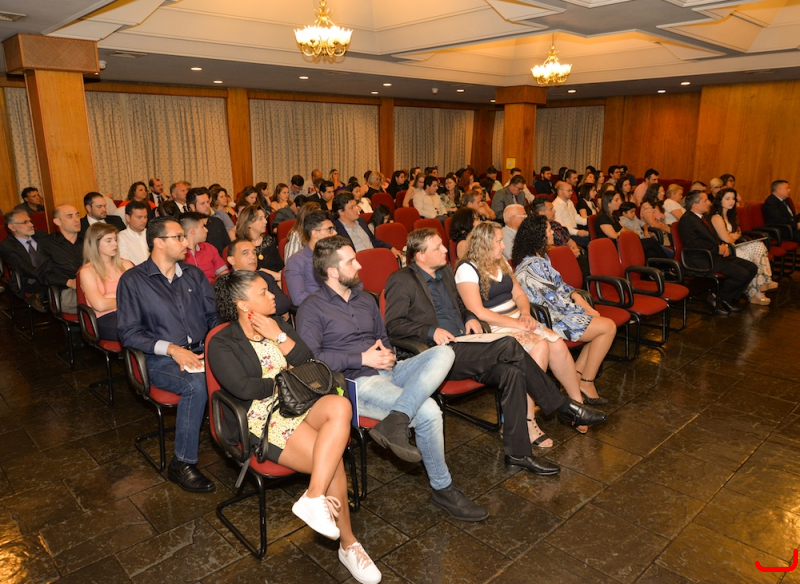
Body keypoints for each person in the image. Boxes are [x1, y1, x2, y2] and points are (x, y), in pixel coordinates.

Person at [296, 236, 490, 522]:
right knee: (428, 410)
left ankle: (396, 419)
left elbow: (384, 339)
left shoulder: (366, 299)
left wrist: (386, 355)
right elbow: (311, 360)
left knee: (444, 352)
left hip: (389, 370)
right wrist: (362, 359)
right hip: (355, 383)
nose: (359, 265)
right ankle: (443, 488)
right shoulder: (312, 308)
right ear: (333, 272)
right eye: (351, 262)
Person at [207, 271, 381, 583]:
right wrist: (282, 380)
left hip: (300, 400)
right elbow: (242, 387)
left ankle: (313, 497)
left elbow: (307, 360)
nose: (273, 295)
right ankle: (348, 544)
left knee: (340, 406)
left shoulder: (278, 324)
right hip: (264, 414)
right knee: (331, 460)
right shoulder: (222, 342)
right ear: (243, 304)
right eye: (263, 292)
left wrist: (279, 336)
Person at [386, 229, 607, 464]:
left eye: (442, 245)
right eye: (437, 247)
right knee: (509, 345)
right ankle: (563, 406)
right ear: (420, 255)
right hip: (438, 353)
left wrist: (469, 317)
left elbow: (462, 305)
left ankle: (518, 453)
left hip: (465, 344)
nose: (445, 250)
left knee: (512, 372)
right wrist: (432, 331)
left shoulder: (445, 273)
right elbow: (394, 325)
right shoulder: (401, 279)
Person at [455, 222, 607, 444]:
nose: (503, 245)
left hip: (518, 320)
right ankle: (527, 421)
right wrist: (515, 323)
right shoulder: (467, 268)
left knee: (557, 344)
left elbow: (519, 294)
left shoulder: (500, 262)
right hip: (494, 327)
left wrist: (525, 313)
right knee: (540, 347)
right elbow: (478, 311)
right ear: (484, 243)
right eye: (498, 241)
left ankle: (576, 406)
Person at [117, 216, 220, 493]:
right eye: (179, 237)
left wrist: (218, 346)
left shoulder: (194, 275)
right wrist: (173, 349)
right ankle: (181, 463)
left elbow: (213, 316)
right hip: (159, 359)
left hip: (200, 351)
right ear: (159, 242)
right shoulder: (133, 281)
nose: (186, 242)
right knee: (195, 384)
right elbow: (128, 333)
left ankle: (244, 443)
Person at [513, 215, 616, 397]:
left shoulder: (541, 257)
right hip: (548, 320)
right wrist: (583, 310)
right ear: (538, 236)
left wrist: (577, 296)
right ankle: (586, 382)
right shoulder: (533, 266)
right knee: (608, 327)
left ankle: (576, 376)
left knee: (603, 326)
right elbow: (555, 303)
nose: (552, 233)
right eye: (548, 230)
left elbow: (560, 287)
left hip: (556, 312)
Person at [678, 190, 758, 315]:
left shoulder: (704, 217)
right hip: (701, 258)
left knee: (752, 268)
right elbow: (693, 244)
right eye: (705, 200)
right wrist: (717, 249)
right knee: (741, 274)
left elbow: (713, 238)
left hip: (714, 255)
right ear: (695, 205)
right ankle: (717, 297)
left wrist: (723, 246)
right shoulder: (687, 220)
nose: (709, 203)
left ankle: (727, 299)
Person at [711, 188, 775, 305]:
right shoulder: (716, 218)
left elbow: (738, 233)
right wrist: (732, 236)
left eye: (733, 199)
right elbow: (727, 239)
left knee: (759, 246)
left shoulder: (730, 215)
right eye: (728, 199)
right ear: (720, 201)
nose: (731, 201)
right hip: (727, 251)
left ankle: (759, 289)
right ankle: (761, 286)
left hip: (733, 247)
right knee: (755, 255)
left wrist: (731, 235)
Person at [79, 223, 133, 341]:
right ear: (95, 244)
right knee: (138, 329)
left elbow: (140, 296)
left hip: (131, 313)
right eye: (109, 241)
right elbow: (100, 305)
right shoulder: (87, 271)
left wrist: (110, 296)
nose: (115, 244)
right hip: (107, 317)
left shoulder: (126, 265)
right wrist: (125, 298)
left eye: (115, 239)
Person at [37, 205, 84, 314]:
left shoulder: (88, 238)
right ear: (57, 222)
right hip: (69, 291)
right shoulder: (47, 243)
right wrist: (68, 282)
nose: (76, 219)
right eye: (70, 216)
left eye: (77, 215)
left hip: (94, 285)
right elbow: (44, 275)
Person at [227, 239, 291, 318]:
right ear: (232, 260)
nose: (253, 257)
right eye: (245, 253)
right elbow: (234, 315)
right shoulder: (227, 284)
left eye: (254, 252)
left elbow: (284, 303)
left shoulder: (264, 276)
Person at [285, 211, 336, 306]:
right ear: (315, 233)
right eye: (330, 229)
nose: (335, 233)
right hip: (320, 308)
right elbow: (298, 298)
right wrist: (332, 300)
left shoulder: (338, 254)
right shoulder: (296, 261)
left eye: (334, 229)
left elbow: (357, 284)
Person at [0, 210, 48, 312]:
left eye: (30, 221)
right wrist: (47, 274)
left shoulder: (43, 236)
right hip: (28, 280)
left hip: (50, 275)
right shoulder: (7, 246)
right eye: (25, 222)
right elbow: (22, 266)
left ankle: (39, 296)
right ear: (12, 227)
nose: (31, 225)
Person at [597, 191, 667, 259]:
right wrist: (627, 234)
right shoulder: (602, 218)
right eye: (616, 200)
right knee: (652, 241)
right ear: (608, 204)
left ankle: (663, 265)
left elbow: (623, 228)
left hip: (623, 242)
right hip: (615, 246)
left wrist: (634, 233)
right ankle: (668, 263)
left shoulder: (613, 215)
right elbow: (614, 236)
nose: (620, 202)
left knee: (651, 253)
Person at [331, 193, 402, 259]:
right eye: (352, 207)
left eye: (356, 205)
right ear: (341, 212)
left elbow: (373, 240)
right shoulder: (334, 230)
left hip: (375, 258)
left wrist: (391, 248)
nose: (356, 209)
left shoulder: (361, 221)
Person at [234, 205, 283, 283]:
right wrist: (281, 278)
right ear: (249, 223)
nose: (265, 221)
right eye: (260, 219)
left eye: (264, 218)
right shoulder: (242, 246)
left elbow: (279, 265)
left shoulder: (269, 240)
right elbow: (256, 272)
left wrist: (281, 280)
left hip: (277, 281)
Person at [179, 212, 228, 284]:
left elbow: (224, 272)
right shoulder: (178, 253)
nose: (206, 230)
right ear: (193, 231)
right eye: (202, 227)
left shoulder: (209, 248)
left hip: (212, 288)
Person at [187, 187, 231, 255]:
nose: (207, 206)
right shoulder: (187, 226)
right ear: (192, 207)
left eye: (207, 202)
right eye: (202, 203)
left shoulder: (217, 222)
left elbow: (227, 248)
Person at [552, 181, 589, 247]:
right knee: (588, 241)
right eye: (569, 191)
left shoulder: (569, 202)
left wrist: (588, 221)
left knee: (594, 235)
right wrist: (577, 232)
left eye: (571, 191)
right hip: (567, 235)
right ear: (560, 192)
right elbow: (561, 226)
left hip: (575, 230)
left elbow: (576, 217)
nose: (571, 193)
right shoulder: (556, 205)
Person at [117, 201, 150, 265]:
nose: (144, 221)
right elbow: (125, 264)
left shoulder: (152, 233)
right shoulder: (121, 238)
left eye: (145, 217)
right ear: (128, 218)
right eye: (139, 217)